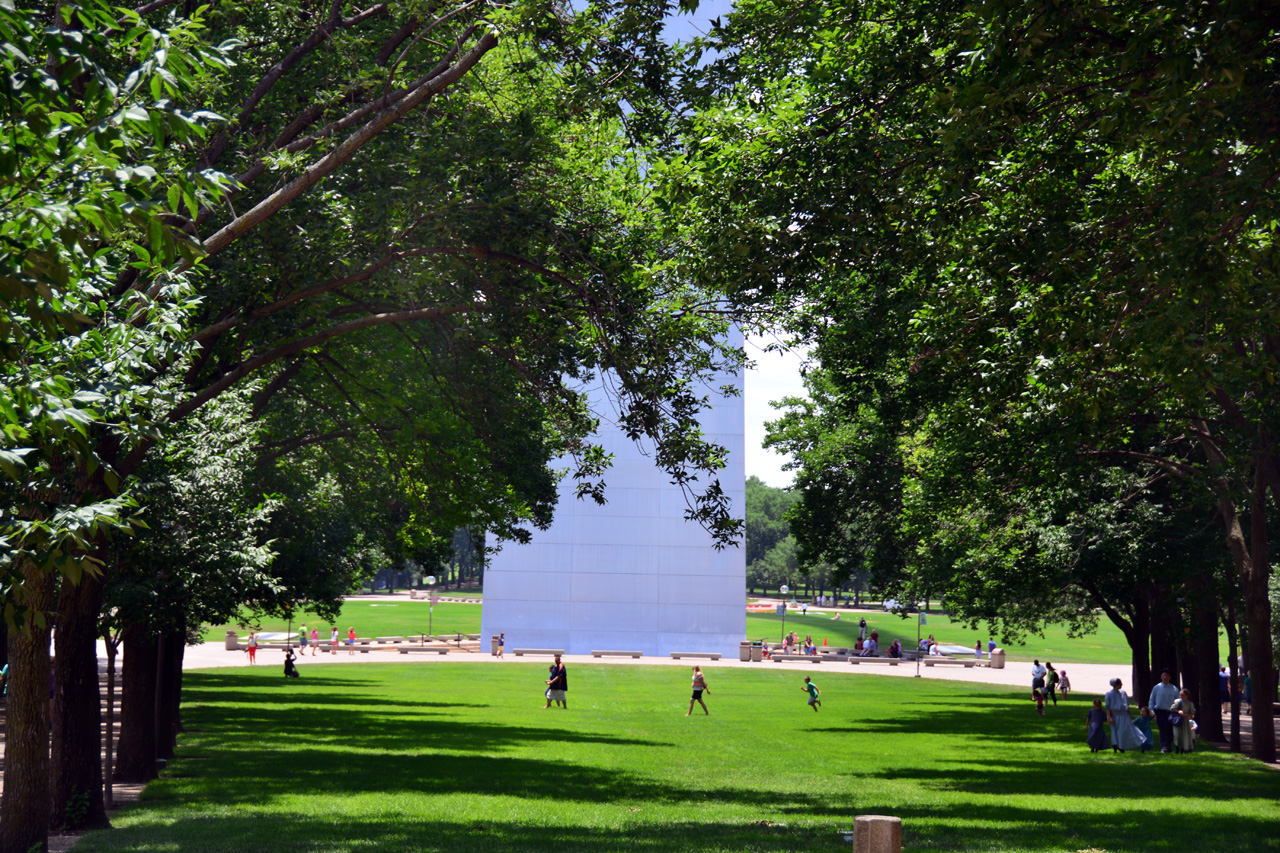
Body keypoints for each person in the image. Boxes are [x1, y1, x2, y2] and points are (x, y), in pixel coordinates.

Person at [1104, 677, 1146, 753]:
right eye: (1120, 683)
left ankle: (1122, 745)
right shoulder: (1109, 694)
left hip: (1123, 715)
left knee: (1123, 731)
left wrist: (1129, 717)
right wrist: (1109, 717)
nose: (1121, 684)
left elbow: (1127, 706)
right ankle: (1115, 746)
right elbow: (1108, 707)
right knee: (1114, 731)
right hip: (1114, 715)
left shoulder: (1123, 693)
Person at [1148, 669, 1180, 753]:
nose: (1165, 677)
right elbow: (1152, 700)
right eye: (1163, 675)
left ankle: (1168, 745)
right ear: (1161, 677)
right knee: (1162, 730)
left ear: (1170, 677)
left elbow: (1178, 701)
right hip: (1159, 711)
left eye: (1166, 675)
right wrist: (1152, 711)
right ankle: (1164, 747)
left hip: (1170, 712)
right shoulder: (1157, 688)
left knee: (1170, 730)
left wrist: (1177, 710)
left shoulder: (1174, 689)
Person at [1170, 688, 1196, 754]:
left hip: (1185, 722)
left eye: (1183, 695)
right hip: (1177, 721)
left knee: (1184, 735)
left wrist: (1187, 715)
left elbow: (1192, 713)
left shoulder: (1190, 704)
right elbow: (1172, 709)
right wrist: (1178, 711)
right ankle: (1177, 747)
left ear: (1187, 696)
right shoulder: (1177, 702)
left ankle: (1183, 749)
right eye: (1180, 695)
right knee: (1176, 735)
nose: (1181, 696)